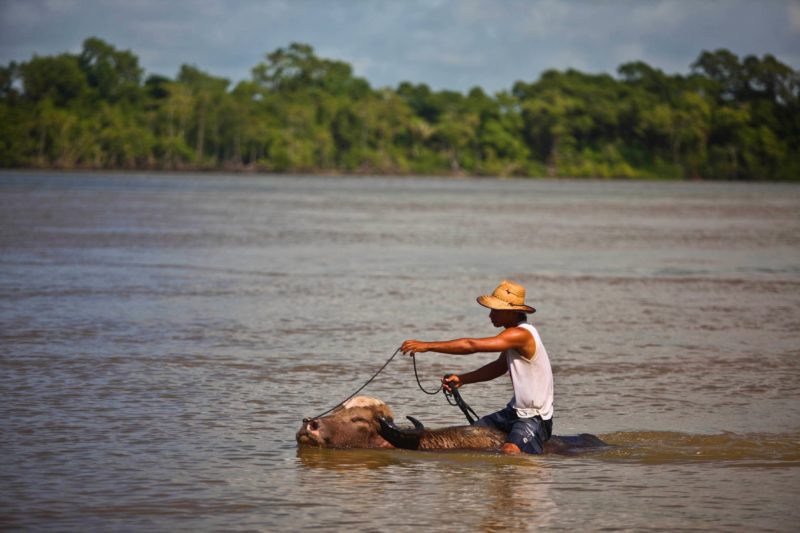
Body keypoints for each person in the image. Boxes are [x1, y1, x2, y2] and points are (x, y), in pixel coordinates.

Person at [401, 280, 554, 454]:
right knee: (468, 437)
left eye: (496, 310)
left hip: (534, 418)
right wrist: (462, 379)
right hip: (512, 412)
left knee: (509, 451)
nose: (491, 315)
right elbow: (498, 367)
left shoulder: (520, 334)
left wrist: (427, 346)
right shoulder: (514, 335)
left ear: (512, 311)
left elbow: (471, 345)